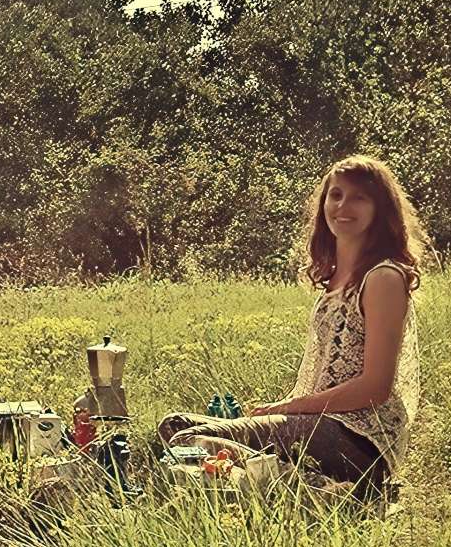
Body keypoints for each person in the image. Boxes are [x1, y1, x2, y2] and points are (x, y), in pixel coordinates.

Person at [159, 154, 427, 495]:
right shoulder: (334, 281)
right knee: (175, 427)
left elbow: (376, 387)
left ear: (380, 210)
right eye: (336, 194)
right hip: (318, 425)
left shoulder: (383, 277)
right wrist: (281, 415)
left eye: (360, 197)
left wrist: (288, 409)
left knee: (188, 443)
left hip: (359, 438)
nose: (344, 205)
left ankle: (339, 492)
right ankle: (284, 481)